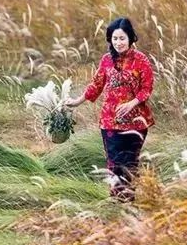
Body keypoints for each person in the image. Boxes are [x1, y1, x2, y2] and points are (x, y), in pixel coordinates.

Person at [64, 17, 155, 201]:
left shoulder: (141, 60)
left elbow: (147, 88)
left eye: (122, 38)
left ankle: (128, 201)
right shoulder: (106, 61)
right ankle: (117, 202)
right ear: (110, 40)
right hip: (110, 121)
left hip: (136, 122)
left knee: (129, 164)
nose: (118, 43)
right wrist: (76, 101)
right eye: (114, 39)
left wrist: (132, 103)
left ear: (130, 38)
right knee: (114, 164)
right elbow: (96, 85)